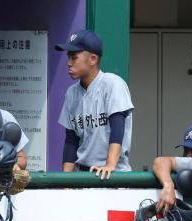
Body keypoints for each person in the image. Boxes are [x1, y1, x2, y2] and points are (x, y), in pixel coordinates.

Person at [56, 29, 134, 179]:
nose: (69, 63)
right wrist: (65, 180)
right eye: (68, 57)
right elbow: (71, 140)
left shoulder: (112, 83)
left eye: (74, 57)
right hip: (82, 175)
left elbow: (118, 128)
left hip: (114, 174)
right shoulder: (71, 93)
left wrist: (110, 165)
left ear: (92, 59)